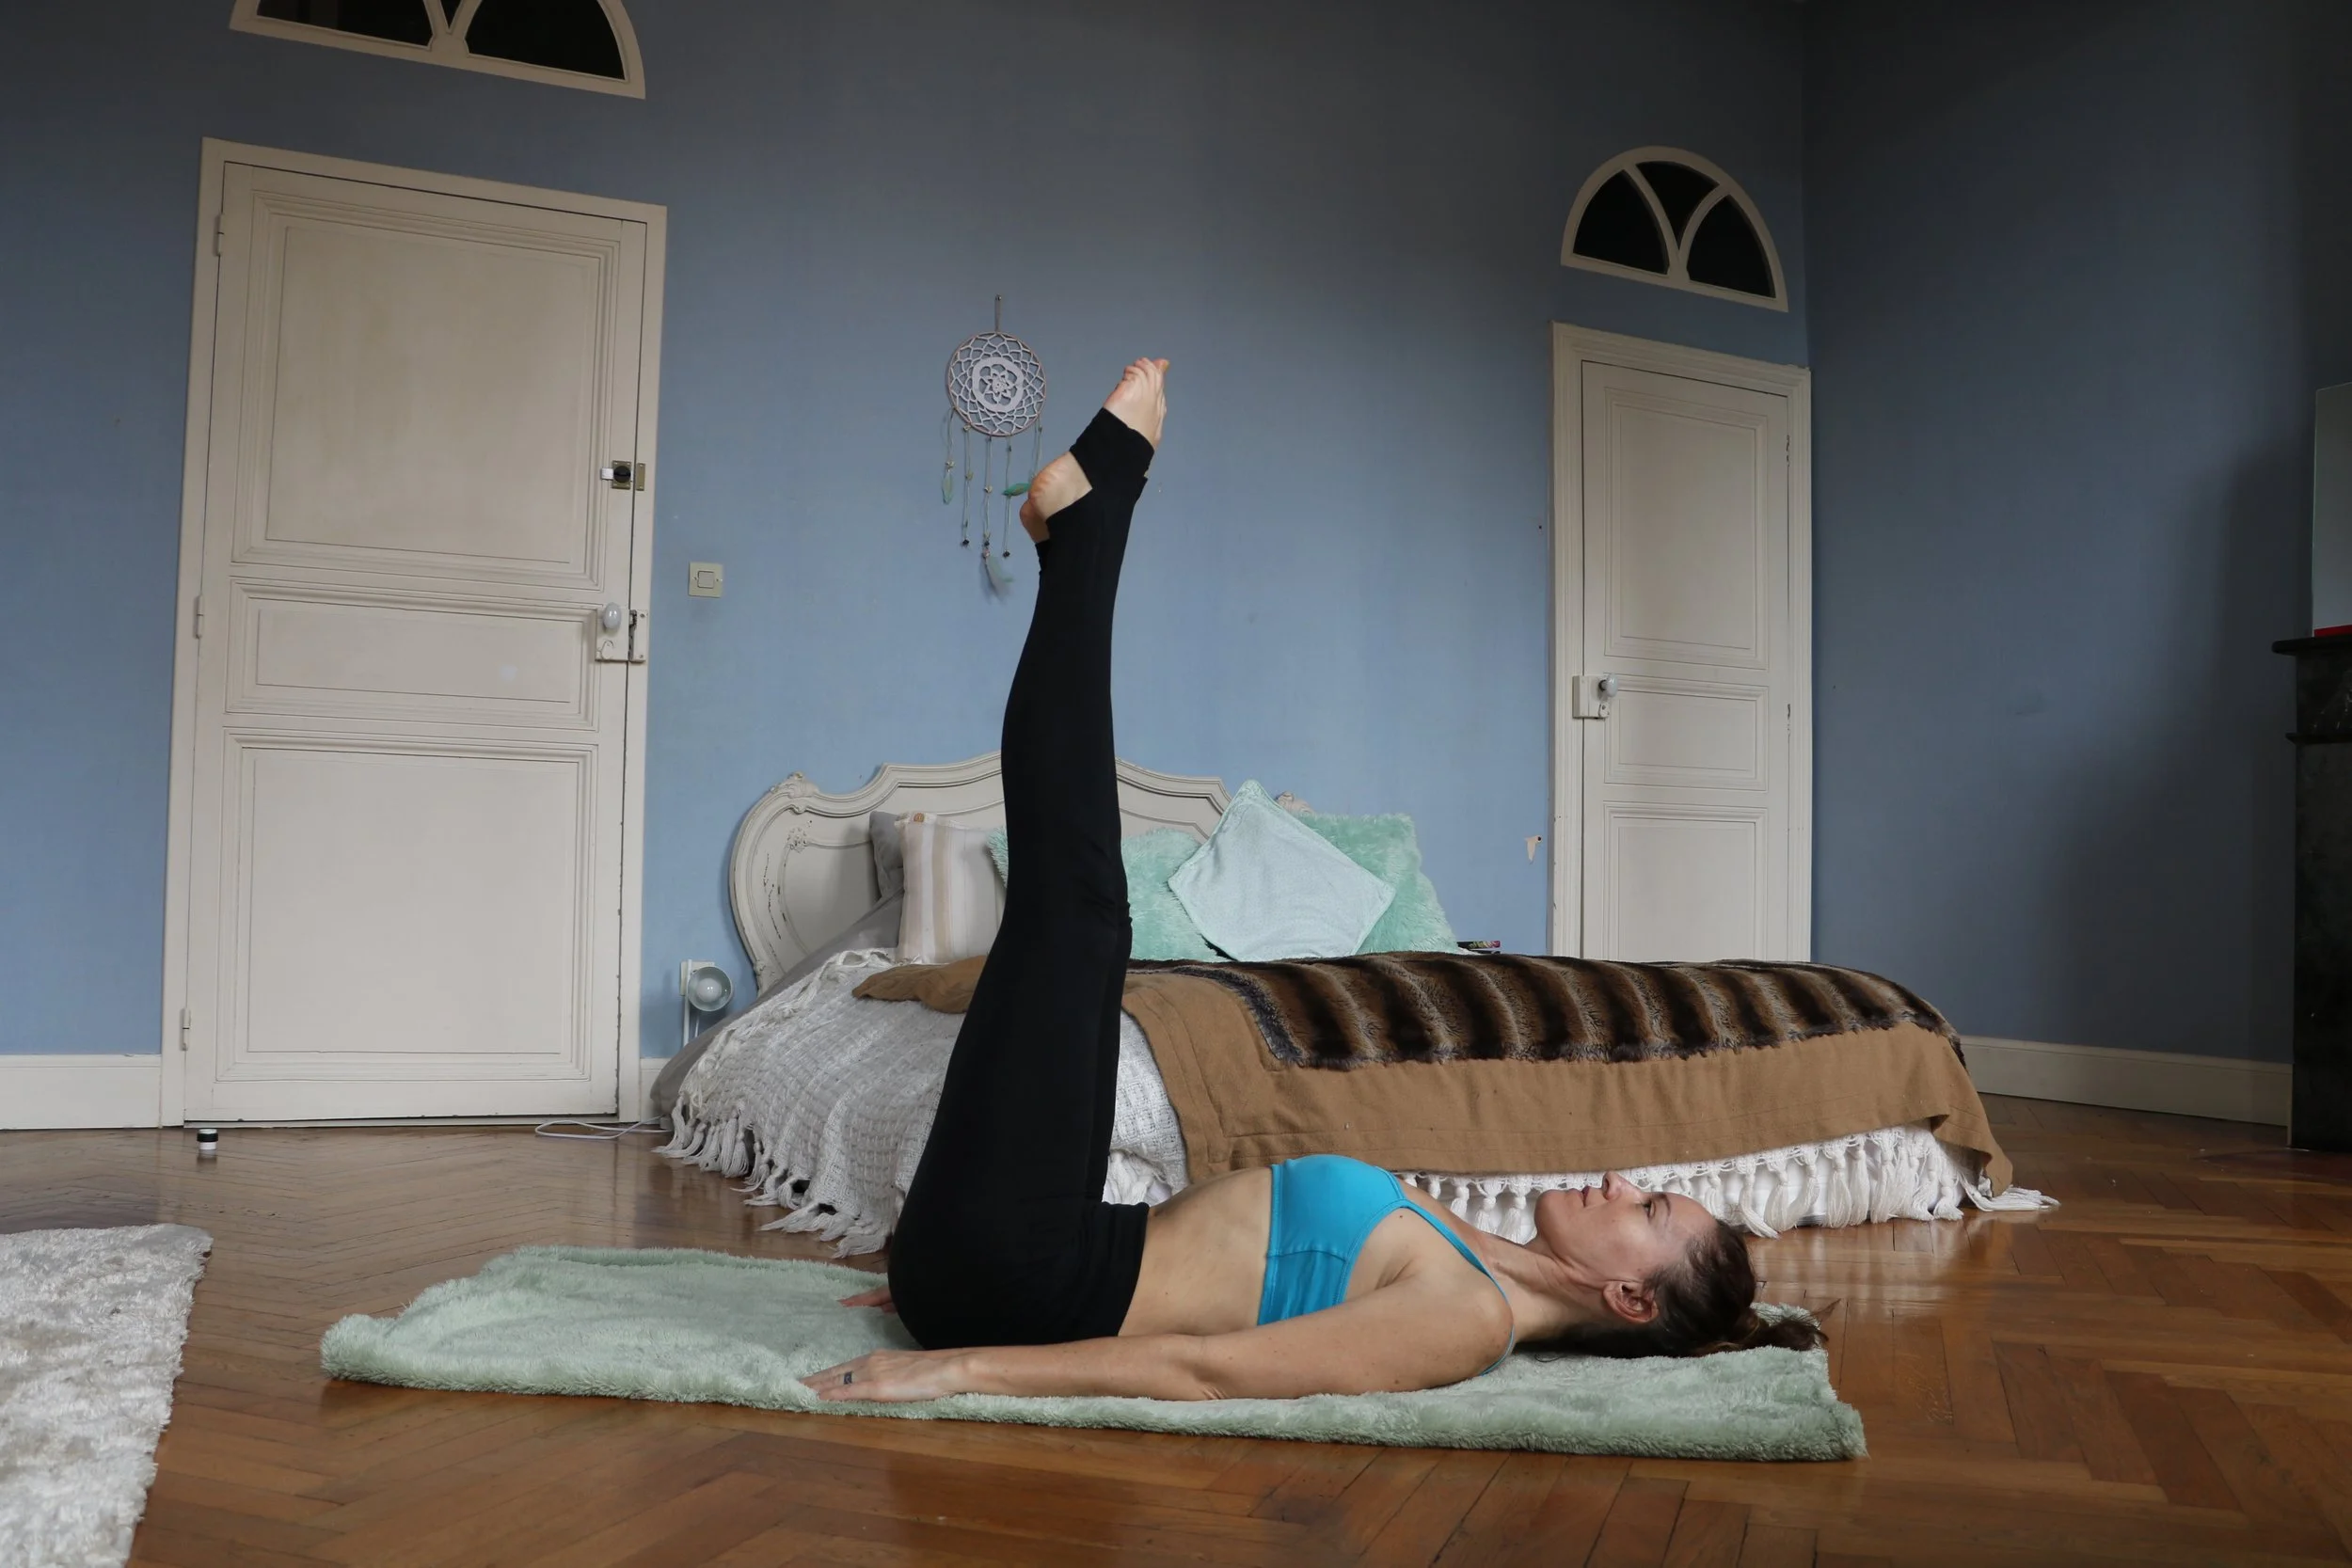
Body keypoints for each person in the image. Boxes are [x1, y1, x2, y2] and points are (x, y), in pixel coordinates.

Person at [804, 358, 1822, 1403]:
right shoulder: (1483, 1254)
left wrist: (958, 1364)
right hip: (996, 1256)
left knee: (1081, 917)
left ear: (1630, 1299)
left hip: (1015, 1289)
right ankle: (1079, 539)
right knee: (1075, 924)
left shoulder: (1467, 1320)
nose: (1623, 1181)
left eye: (1648, 1211)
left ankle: (1091, 529)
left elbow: (1206, 1367)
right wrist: (921, 1292)